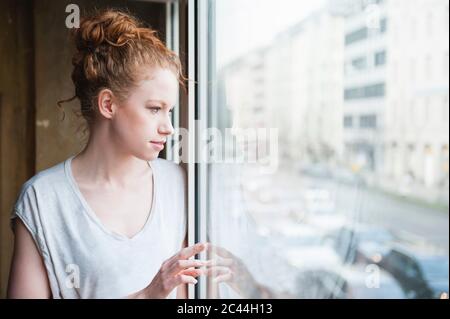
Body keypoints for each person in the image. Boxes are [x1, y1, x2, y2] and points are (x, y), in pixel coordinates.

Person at [7, 8, 206, 299]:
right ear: (108, 105)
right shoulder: (43, 200)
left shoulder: (179, 184)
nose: (169, 128)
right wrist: (147, 296)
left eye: (170, 111)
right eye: (154, 109)